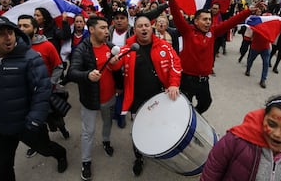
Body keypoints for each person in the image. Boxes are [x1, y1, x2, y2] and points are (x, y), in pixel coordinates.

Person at [0, 15, 68, 181]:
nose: (8, 37)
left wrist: (35, 119)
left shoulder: (31, 58)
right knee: (3, 170)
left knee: (46, 149)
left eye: (10, 32)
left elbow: (42, 90)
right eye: (0, 34)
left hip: (28, 125)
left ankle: (61, 154)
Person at [164, 0, 263, 114]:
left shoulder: (213, 32)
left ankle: (193, 116)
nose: (208, 22)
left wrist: (249, 10)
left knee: (206, 103)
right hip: (186, 79)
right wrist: (172, 0)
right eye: (204, 19)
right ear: (196, 21)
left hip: (203, 79)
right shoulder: (188, 31)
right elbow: (177, 17)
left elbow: (231, 22)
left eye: (210, 19)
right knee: (182, 106)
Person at [109, 15, 182, 176]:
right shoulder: (127, 48)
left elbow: (176, 64)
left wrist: (173, 84)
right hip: (137, 100)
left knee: (160, 124)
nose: (143, 28)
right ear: (134, 30)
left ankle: (158, 148)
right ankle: (139, 157)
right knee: (138, 130)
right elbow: (115, 66)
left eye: (146, 25)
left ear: (152, 27)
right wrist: (112, 62)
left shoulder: (164, 46)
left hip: (160, 97)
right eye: (140, 26)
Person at [200, 94, 281, 181]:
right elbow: (212, 172)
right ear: (263, 119)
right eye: (271, 124)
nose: (277, 134)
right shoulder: (234, 141)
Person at [67, 16, 117, 181]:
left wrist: (117, 63)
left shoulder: (110, 46)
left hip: (109, 97)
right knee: (88, 132)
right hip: (90, 99)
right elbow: (72, 73)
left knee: (108, 123)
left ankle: (106, 141)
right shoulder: (82, 49)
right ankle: (86, 162)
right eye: (102, 28)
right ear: (92, 29)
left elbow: (117, 69)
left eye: (107, 27)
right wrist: (87, 75)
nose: (106, 31)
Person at [17, 14, 70, 158]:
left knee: (54, 120)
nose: (21, 29)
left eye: (25, 26)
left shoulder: (47, 45)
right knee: (36, 125)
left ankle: (62, 129)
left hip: (46, 94)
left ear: (35, 29)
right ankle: (38, 145)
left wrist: (49, 85)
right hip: (27, 97)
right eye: (19, 26)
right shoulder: (16, 48)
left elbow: (58, 66)